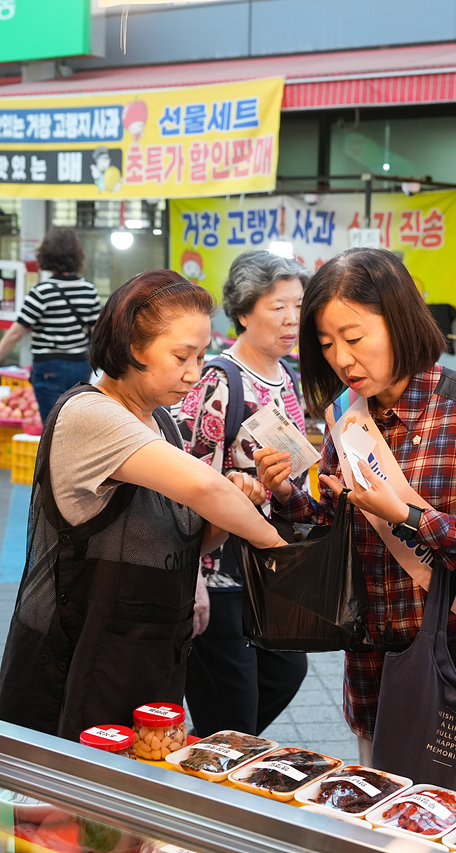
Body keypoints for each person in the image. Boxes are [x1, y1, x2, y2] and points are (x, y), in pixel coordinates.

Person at [255, 247, 456, 765]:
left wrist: (408, 516)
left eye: (354, 338)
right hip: (373, 658)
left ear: (399, 321)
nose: (341, 358)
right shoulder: (347, 413)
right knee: (377, 813)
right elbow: (336, 518)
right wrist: (290, 494)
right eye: (327, 343)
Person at [0, 269, 287, 741]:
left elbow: (189, 536)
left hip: (145, 657)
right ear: (132, 347)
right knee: (65, 806)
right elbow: (203, 491)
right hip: (75, 658)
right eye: (181, 356)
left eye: (201, 354)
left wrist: (231, 511)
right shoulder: (90, 414)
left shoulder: (162, 422)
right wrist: (276, 546)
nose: (195, 372)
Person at [172, 250, 310, 737]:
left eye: (298, 305)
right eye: (278, 307)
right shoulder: (219, 380)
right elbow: (186, 477)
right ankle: (209, 779)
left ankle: (210, 757)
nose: (292, 318)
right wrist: (190, 577)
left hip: (265, 569)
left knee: (286, 672)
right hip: (218, 570)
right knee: (231, 709)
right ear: (245, 311)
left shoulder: (286, 379)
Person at [0, 227, 101, 418]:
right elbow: (99, 333)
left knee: (53, 427)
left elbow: (16, 333)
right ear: (77, 256)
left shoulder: (41, 292)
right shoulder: (89, 291)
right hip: (80, 367)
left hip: (49, 368)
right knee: (78, 423)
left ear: (47, 256)